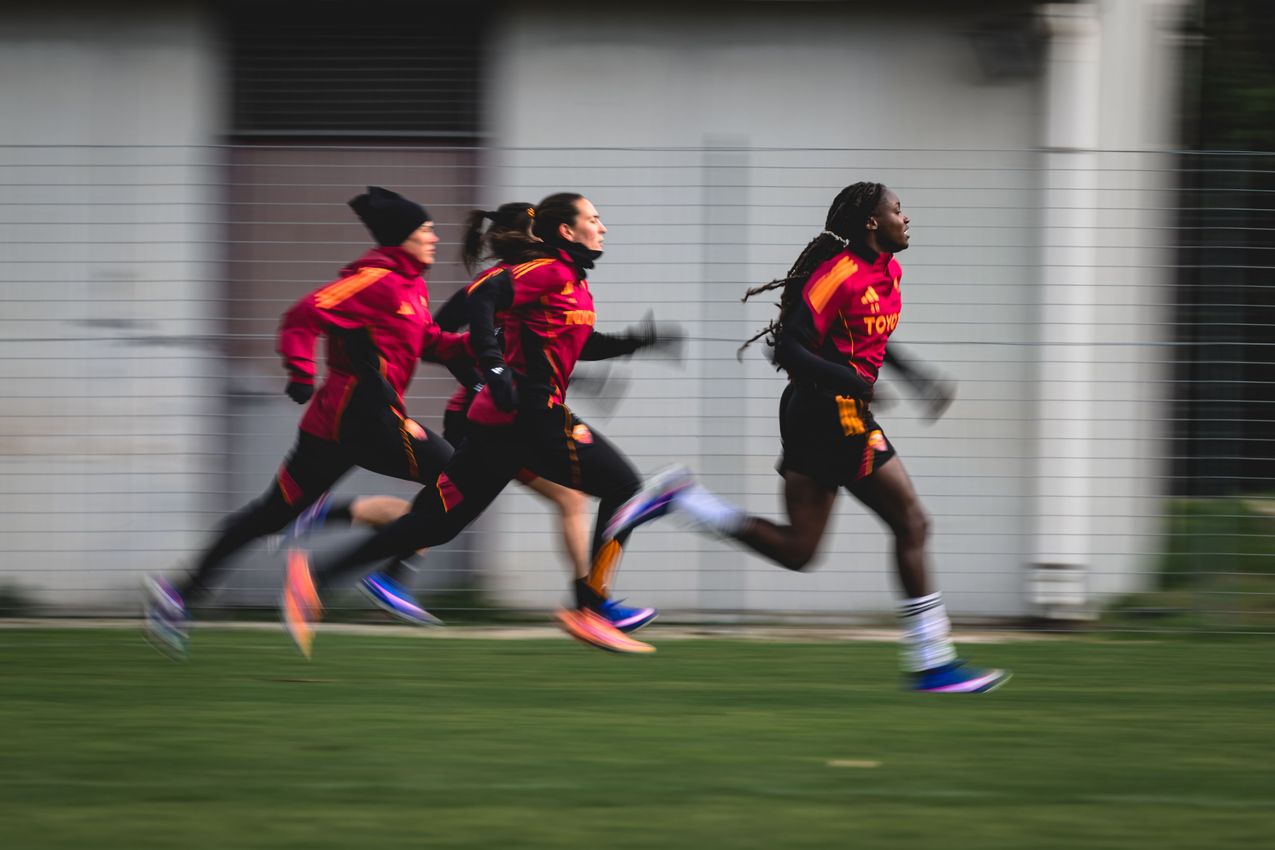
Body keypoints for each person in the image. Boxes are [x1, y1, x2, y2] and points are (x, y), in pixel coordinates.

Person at [605, 182, 1011, 693]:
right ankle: (933, 661)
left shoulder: (887, 269)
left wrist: (913, 377)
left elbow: (872, 335)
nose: (905, 219)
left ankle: (685, 500)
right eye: (897, 210)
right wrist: (855, 383)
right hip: (829, 413)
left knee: (800, 549)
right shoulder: (836, 275)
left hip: (830, 412)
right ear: (870, 222)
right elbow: (789, 350)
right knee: (911, 522)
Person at [282, 193, 680, 656]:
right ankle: (590, 610)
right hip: (532, 418)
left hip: (499, 427)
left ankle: (314, 578)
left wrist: (636, 343)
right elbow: (484, 295)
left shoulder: (571, 281)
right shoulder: (549, 269)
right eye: (594, 219)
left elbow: (576, 341)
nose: (603, 227)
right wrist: (491, 366)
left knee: (435, 523)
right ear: (567, 231)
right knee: (625, 487)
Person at [142, 186, 468, 657]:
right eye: (427, 230)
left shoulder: (411, 287)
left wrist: (478, 347)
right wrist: (299, 370)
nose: (436, 238)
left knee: (272, 514)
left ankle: (180, 595)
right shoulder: (375, 278)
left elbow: (427, 342)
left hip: (342, 426)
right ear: (402, 238)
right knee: (457, 477)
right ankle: (378, 577)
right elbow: (303, 314)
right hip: (359, 416)